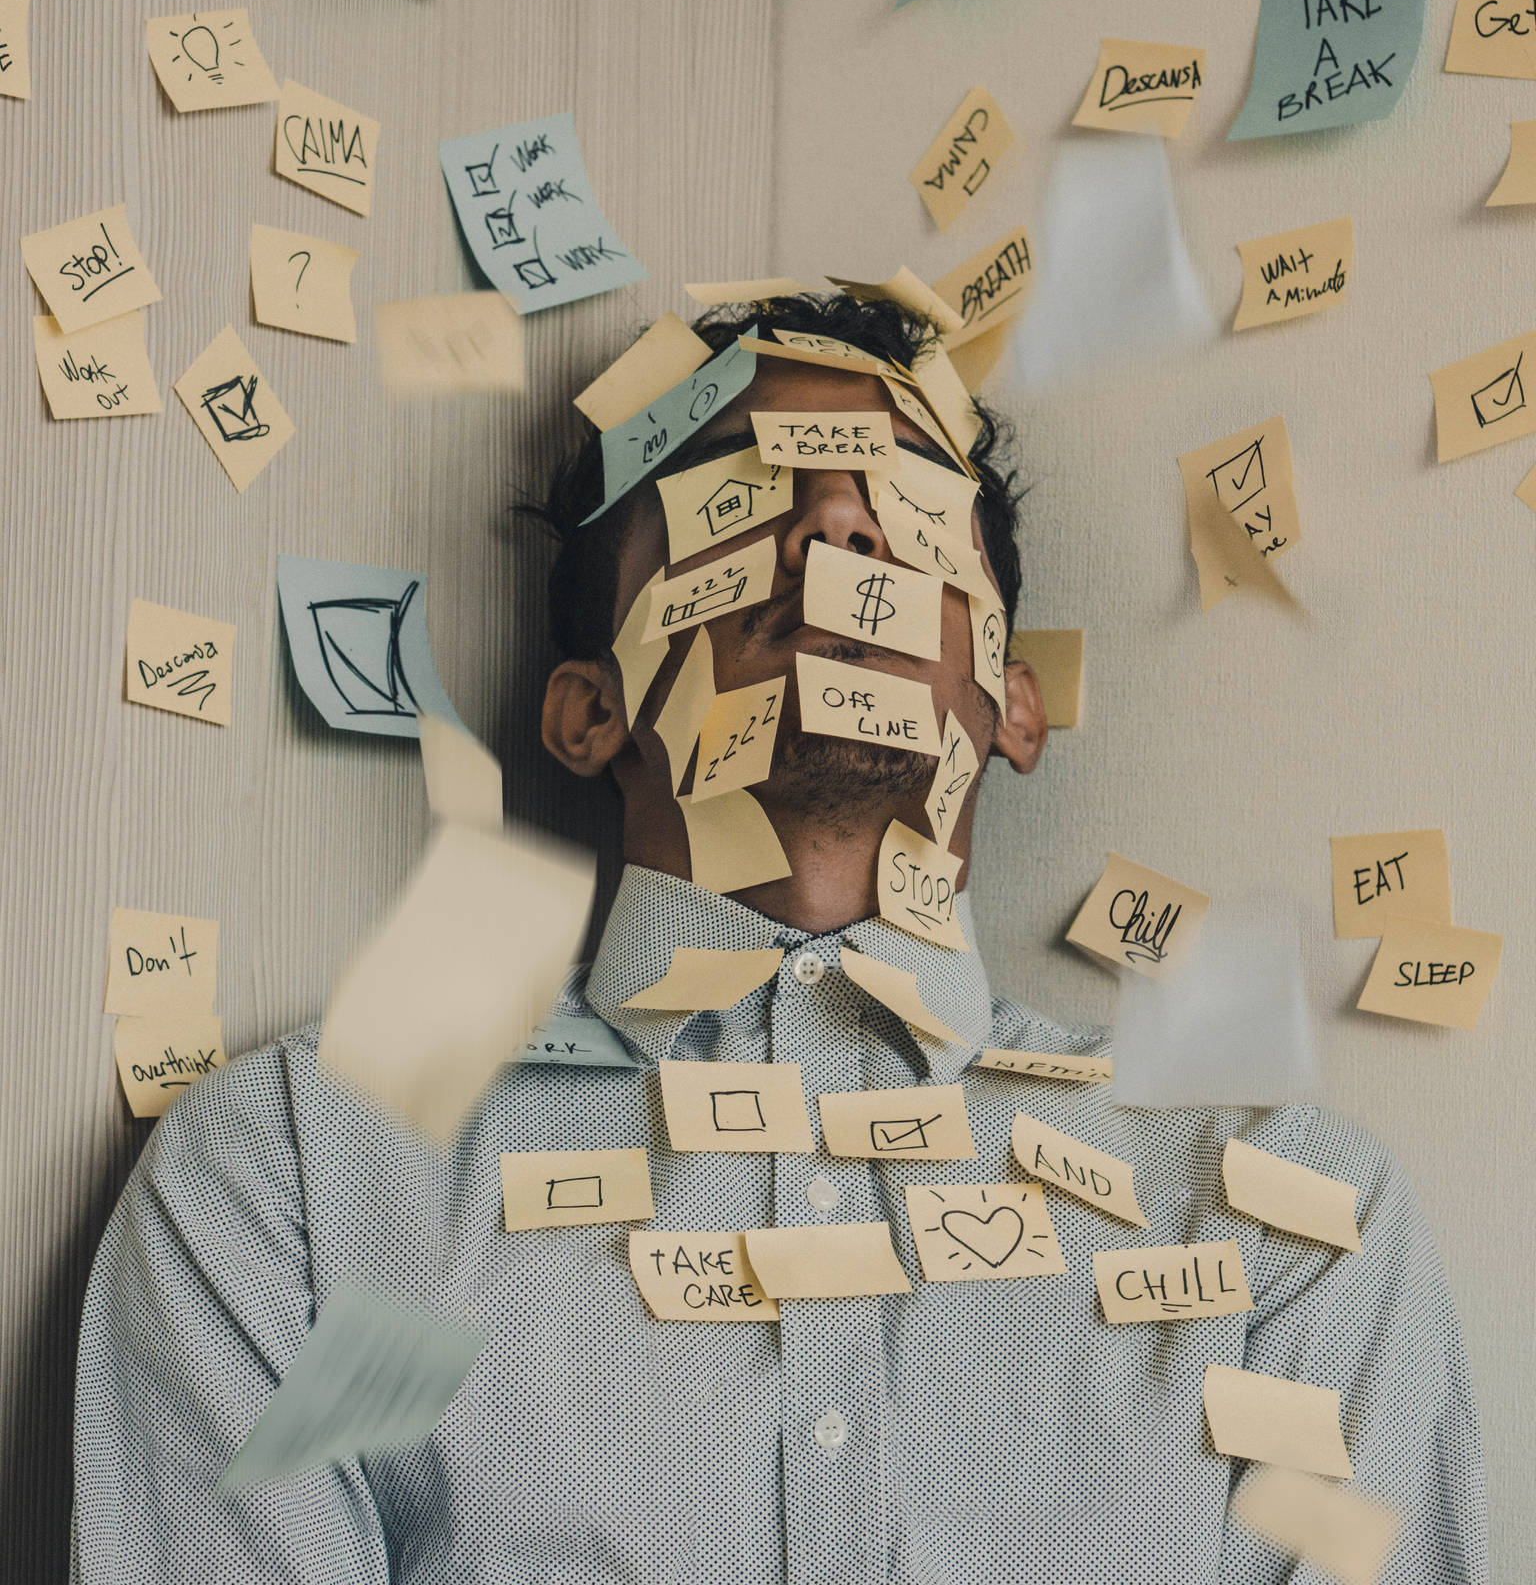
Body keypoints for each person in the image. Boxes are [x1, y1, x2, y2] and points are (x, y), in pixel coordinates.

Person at [73, 292, 1487, 1584]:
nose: (835, 530)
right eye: (740, 493)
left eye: (906, 508)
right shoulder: (300, 1180)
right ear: (589, 711)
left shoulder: (1287, 1224)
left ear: (1009, 702)